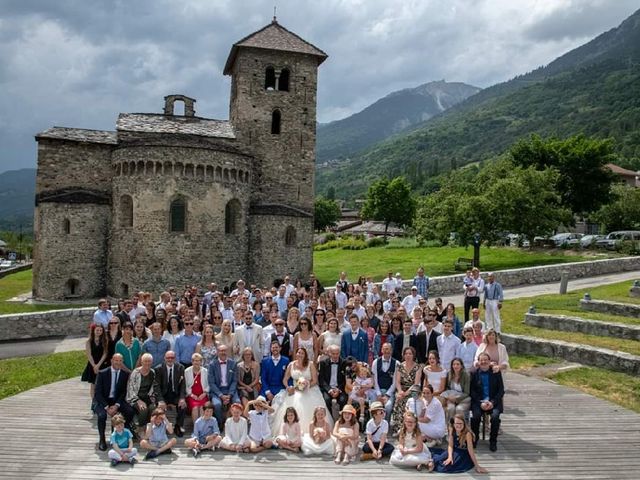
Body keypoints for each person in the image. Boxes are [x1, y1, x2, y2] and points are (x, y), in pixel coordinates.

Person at [271, 348, 332, 435]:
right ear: (296, 354)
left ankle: (310, 431)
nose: (300, 354)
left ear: (305, 355)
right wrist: (288, 387)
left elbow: (315, 380)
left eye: (302, 353)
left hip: (310, 389)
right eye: (298, 352)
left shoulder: (310, 364)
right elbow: (285, 379)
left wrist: (306, 385)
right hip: (295, 389)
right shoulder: (291, 365)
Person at [94, 354, 135, 451]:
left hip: (116, 400)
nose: (118, 362)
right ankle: (102, 439)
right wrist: (107, 407)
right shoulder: (103, 373)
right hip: (102, 400)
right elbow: (97, 393)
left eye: (120, 360)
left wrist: (116, 405)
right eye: (116, 360)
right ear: (112, 360)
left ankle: (121, 434)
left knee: (130, 411)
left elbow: (123, 392)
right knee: (102, 416)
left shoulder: (124, 374)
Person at [470, 352, 505, 452]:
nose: (484, 362)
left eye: (486, 360)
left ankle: (493, 441)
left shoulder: (496, 373)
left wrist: (492, 402)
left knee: (495, 417)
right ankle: (475, 438)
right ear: (479, 362)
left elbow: (501, 390)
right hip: (479, 402)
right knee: (475, 417)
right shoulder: (474, 373)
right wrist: (480, 402)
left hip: (493, 402)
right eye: (481, 360)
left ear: (490, 361)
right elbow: (472, 391)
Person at [154, 351, 187, 438]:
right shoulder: (158, 369)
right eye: (168, 358)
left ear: (175, 359)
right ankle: (161, 427)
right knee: (159, 407)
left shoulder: (180, 368)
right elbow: (156, 386)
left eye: (172, 358)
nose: (170, 359)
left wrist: (182, 398)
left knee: (183, 406)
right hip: (163, 395)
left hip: (175, 394)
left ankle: (178, 426)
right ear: (164, 358)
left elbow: (183, 385)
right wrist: (160, 400)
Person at [390, 346, 423, 436]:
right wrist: (400, 391)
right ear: (403, 355)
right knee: (398, 400)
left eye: (410, 354)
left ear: (413, 355)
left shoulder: (418, 367)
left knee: (406, 401)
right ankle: (399, 428)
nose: (408, 355)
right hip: (402, 389)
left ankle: (408, 428)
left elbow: (416, 383)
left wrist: (406, 393)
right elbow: (397, 381)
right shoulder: (400, 366)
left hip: (413, 390)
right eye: (406, 354)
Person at [208, 344, 240, 428]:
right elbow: (211, 383)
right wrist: (221, 396)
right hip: (217, 390)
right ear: (217, 352)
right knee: (217, 404)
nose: (223, 352)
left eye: (224, 351)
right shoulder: (212, 365)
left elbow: (234, 381)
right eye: (221, 351)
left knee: (237, 403)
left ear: (228, 352)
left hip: (230, 389)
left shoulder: (233, 363)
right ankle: (220, 423)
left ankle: (233, 423)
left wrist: (230, 395)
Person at [126, 352, 156, 433]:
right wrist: (138, 401)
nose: (147, 363)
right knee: (144, 409)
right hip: (135, 397)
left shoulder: (153, 372)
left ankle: (149, 428)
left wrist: (154, 399)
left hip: (148, 397)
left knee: (153, 408)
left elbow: (154, 388)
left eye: (149, 361)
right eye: (145, 361)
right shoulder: (135, 372)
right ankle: (140, 429)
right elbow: (130, 389)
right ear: (141, 362)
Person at [318, 344, 347, 420]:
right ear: (329, 353)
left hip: (340, 388)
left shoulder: (344, 363)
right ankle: (330, 420)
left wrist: (338, 390)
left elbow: (345, 380)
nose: (335, 356)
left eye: (337, 353)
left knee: (343, 400)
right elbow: (321, 379)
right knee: (326, 400)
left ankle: (342, 420)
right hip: (328, 388)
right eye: (333, 354)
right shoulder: (323, 363)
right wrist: (329, 390)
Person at [82, 323, 109, 402]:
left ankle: (103, 401)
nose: (99, 332)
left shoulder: (104, 340)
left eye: (101, 330)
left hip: (102, 364)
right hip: (92, 364)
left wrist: (98, 365)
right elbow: (89, 354)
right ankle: (94, 402)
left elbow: (105, 353)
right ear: (93, 330)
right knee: (93, 384)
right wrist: (94, 365)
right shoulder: (89, 341)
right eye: (97, 330)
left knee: (102, 384)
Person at [371, 342, 397, 422]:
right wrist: (378, 394)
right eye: (384, 349)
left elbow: (395, 382)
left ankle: (386, 425)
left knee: (388, 407)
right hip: (377, 390)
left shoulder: (396, 363)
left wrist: (387, 395)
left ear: (391, 351)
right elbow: (374, 380)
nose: (386, 351)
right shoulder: (375, 362)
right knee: (373, 406)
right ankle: (373, 425)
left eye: (388, 349)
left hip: (389, 392)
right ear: (381, 350)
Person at [185, 352, 209, 426]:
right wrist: (192, 395)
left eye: (198, 360)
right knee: (195, 408)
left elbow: (208, 384)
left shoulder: (205, 371)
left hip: (203, 395)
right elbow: (185, 386)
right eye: (194, 360)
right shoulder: (187, 371)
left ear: (201, 362)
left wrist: (204, 393)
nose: (196, 362)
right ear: (192, 361)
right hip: (191, 395)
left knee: (202, 408)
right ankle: (196, 428)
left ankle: (202, 428)